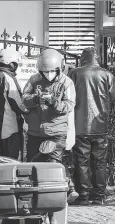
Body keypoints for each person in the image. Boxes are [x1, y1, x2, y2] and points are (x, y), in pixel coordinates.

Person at [22, 48, 79, 202]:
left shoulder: (66, 83)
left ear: (60, 68)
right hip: (35, 130)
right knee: (33, 162)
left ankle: (66, 190)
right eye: (44, 72)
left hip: (56, 130)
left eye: (52, 71)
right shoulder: (33, 80)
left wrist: (54, 102)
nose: (48, 75)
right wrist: (35, 100)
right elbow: (24, 98)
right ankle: (36, 193)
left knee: (54, 161)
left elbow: (69, 105)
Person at [68, 47, 115, 205]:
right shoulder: (107, 74)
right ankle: (99, 195)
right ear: (97, 58)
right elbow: (113, 98)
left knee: (81, 161)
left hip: (80, 124)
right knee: (100, 162)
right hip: (99, 125)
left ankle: (83, 195)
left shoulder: (74, 73)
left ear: (83, 58)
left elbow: (68, 96)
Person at [0, 49, 29, 160]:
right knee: (11, 162)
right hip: (9, 129)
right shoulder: (8, 79)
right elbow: (18, 104)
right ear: (11, 63)